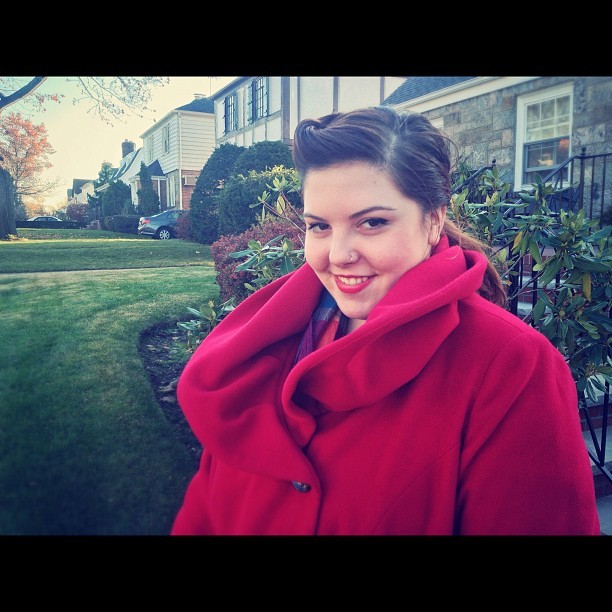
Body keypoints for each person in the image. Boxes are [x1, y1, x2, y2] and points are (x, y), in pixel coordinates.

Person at [171, 106, 600, 536]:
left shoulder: (512, 367)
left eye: (372, 223)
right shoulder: (264, 342)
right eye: (319, 226)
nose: (338, 254)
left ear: (433, 220)